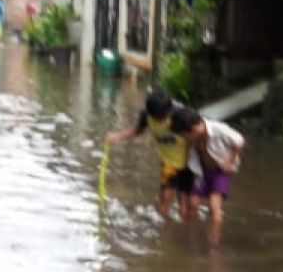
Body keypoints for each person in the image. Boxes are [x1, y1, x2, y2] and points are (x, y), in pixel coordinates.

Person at [104, 89, 194, 219]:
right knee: (166, 198)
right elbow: (136, 131)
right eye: (156, 118)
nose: (159, 121)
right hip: (168, 163)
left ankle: (184, 230)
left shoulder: (181, 114)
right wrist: (116, 137)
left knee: (184, 202)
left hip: (188, 163)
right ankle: (162, 230)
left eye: (162, 117)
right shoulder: (146, 115)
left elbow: (198, 133)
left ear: (169, 111)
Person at [170, 107, 245, 244]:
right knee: (193, 203)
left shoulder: (218, 130)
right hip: (202, 171)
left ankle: (215, 242)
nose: (185, 139)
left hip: (220, 172)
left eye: (185, 135)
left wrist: (230, 161)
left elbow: (239, 141)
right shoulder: (195, 136)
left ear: (194, 129)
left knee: (214, 206)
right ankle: (193, 234)